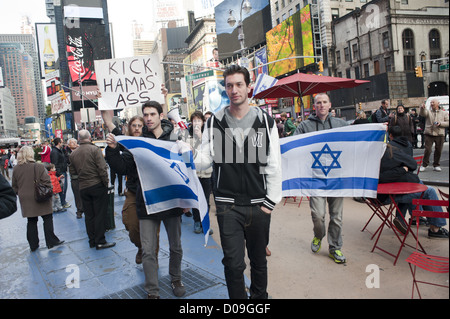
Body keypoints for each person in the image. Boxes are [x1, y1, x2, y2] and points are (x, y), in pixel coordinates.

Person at [195, 65, 282, 299]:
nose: (234, 90)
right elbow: (203, 160)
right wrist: (188, 153)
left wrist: (269, 204)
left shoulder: (265, 122)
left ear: (248, 87)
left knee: (259, 262)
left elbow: (274, 165)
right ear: (226, 89)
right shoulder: (214, 123)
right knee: (233, 264)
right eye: (229, 85)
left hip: (258, 205)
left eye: (239, 84)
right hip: (227, 205)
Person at [107, 101, 189, 299]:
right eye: (146, 114)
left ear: (161, 115)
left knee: (175, 246)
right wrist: (111, 149)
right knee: (148, 251)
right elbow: (124, 167)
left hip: (171, 200)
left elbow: (187, 167)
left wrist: (187, 199)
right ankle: (152, 290)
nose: (149, 118)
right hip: (147, 201)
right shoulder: (138, 141)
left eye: (152, 114)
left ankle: (176, 278)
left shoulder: (175, 137)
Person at [294, 93, 348, 264]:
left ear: (330, 105)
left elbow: (357, 141)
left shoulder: (341, 125)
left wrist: (380, 130)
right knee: (318, 215)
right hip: (315, 178)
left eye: (325, 102)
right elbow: (293, 145)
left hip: (336, 178)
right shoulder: (304, 126)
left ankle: (335, 248)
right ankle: (319, 235)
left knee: (336, 217)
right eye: (318, 102)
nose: (322, 105)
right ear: (314, 106)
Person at [378, 144, 448, 239]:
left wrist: (398, 171)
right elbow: (382, 177)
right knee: (429, 191)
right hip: (387, 195)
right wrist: (402, 169)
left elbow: (411, 165)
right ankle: (435, 228)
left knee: (417, 184)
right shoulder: (392, 151)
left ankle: (411, 217)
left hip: (392, 190)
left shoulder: (383, 153)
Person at [105, 115, 146, 264]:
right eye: (134, 125)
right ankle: (141, 247)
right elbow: (121, 167)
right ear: (129, 127)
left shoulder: (152, 141)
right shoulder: (127, 144)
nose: (136, 128)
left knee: (153, 232)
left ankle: (150, 261)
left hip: (152, 194)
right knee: (131, 225)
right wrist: (112, 150)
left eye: (139, 125)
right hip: (134, 192)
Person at [12, 146, 64, 251]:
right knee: (47, 218)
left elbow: (14, 186)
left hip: (25, 198)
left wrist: (21, 193)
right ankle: (51, 241)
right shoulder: (38, 167)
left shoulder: (16, 168)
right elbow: (47, 182)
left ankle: (33, 245)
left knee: (31, 221)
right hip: (40, 196)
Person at [69, 130, 115, 250]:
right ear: (90, 138)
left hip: (83, 187)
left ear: (78, 139)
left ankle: (92, 240)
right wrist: (106, 183)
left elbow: (73, 172)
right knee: (100, 214)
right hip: (97, 185)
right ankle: (100, 240)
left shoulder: (73, 154)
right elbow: (102, 168)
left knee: (89, 215)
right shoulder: (94, 150)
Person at [186, 111, 213, 234]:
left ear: (203, 122)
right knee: (196, 199)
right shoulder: (188, 137)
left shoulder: (209, 136)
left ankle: (205, 223)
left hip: (206, 174)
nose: (196, 123)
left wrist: (201, 137)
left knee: (206, 200)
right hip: (194, 174)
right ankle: (197, 222)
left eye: (199, 120)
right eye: (194, 120)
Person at [419, 98, 449, 172]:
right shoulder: (428, 112)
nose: (432, 104)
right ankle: (424, 165)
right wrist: (422, 108)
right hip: (429, 133)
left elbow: (448, 122)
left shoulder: (444, 113)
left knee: (438, 150)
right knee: (428, 150)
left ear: (438, 104)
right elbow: (423, 113)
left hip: (440, 133)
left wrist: (440, 123)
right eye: (431, 102)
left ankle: (436, 165)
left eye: (433, 102)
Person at [50, 138, 70, 208]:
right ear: (58, 143)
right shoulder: (55, 152)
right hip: (60, 172)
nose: (63, 143)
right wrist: (59, 173)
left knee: (63, 188)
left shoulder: (60, 151)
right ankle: (62, 203)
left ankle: (62, 202)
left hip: (62, 171)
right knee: (62, 188)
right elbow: (55, 164)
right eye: (62, 142)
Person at [67, 138, 83, 218]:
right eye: (72, 143)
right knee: (77, 195)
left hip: (84, 177)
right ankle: (79, 210)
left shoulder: (81, 152)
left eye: (75, 142)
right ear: (68, 145)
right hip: (75, 178)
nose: (74, 144)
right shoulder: (68, 154)